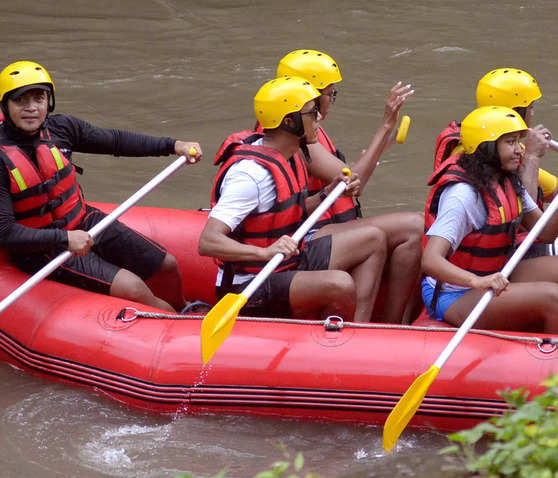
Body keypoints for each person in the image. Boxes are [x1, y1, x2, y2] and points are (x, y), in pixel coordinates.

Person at [0, 60, 202, 312]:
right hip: (43, 248)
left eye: (39, 99)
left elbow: (116, 141)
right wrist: (64, 237)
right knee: (133, 289)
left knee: (167, 264)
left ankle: (184, 308)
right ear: (5, 106)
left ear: (48, 102)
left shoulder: (61, 128)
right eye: (21, 101)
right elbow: (5, 232)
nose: (31, 108)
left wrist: (173, 145)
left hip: (84, 221)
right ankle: (180, 330)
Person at [434, 67, 558, 337]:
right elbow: (431, 259)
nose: (519, 147)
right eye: (512, 142)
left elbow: (545, 231)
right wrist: (531, 157)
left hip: (497, 262)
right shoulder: (466, 188)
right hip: (462, 287)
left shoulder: (505, 174)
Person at [198, 76, 387, 322]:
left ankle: (359, 333)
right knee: (340, 284)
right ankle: (335, 344)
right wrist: (265, 253)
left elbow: (288, 212)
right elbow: (208, 241)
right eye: (312, 112)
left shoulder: (291, 154)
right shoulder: (250, 175)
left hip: (285, 262)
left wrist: (327, 193)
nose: (319, 117)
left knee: (373, 238)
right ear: (289, 121)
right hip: (250, 284)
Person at [276, 49, 423, 324]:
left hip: (326, 224)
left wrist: (377, 148)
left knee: (414, 225)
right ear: (311, 94)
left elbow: (349, 182)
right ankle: (384, 325)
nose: (332, 100)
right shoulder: (295, 132)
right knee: (408, 227)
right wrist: (386, 125)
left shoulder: (307, 127)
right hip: (307, 233)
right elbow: (354, 184)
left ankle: (398, 325)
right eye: (330, 93)